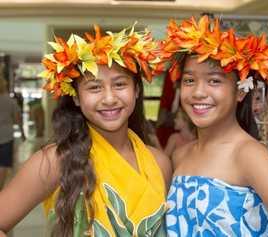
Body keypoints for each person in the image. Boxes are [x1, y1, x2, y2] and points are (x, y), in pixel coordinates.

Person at [0, 25, 171, 236]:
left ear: (136, 90)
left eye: (119, 84)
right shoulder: (55, 160)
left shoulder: (159, 162)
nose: (109, 98)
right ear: (75, 97)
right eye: (94, 87)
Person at [158, 16, 268, 236]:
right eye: (189, 80)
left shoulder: (249, 155)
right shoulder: (180, 155)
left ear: (240, 91)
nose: (198, 92)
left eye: (214, 80)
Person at [0, 78, 25, 189]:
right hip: (6, 137)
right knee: (3, 165)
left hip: (6, 136)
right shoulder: (10, 101)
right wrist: (22, 133)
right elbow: (17, 119)